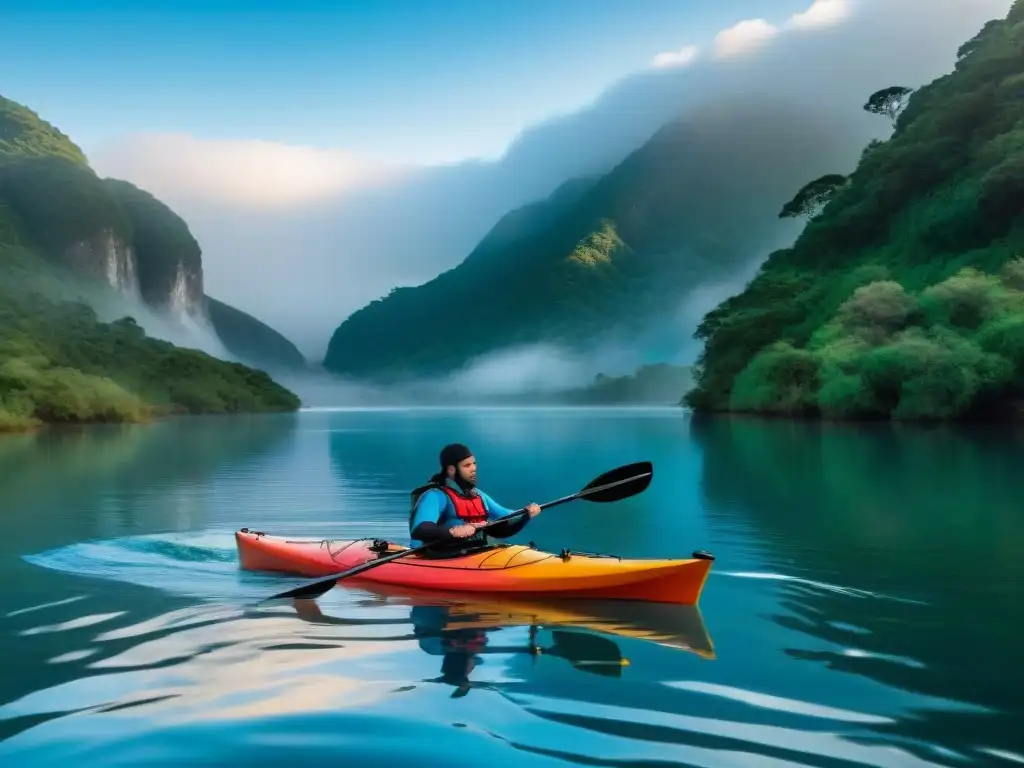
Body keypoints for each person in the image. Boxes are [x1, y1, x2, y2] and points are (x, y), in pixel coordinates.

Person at [408, 442, 541, 551]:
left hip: (471, 551)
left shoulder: (478, 495)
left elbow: (506, 517)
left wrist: (526, 514)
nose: (473, 469)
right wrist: (453, 531)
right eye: (467, 465)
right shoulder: (435, 496)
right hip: (438, 554)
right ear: (451, 470)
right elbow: (420, 529)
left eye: (474, 464)